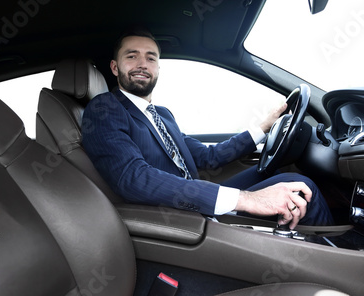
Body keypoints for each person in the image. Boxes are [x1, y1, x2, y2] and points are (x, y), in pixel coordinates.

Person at [82, 27, 333, 228]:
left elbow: (208, 157)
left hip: (196, 199)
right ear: (115, 67)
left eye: (151, 57)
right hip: (176, 216)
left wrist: (264, 127)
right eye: (131, 55)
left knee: (283, 177)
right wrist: (248, 200)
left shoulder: (162, 115)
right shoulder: (105, 108)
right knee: (301, 188)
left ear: (158, 68)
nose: (142, 64)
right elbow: (133, 178)